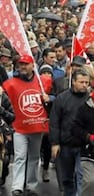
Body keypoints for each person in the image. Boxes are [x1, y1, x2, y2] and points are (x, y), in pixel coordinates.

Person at [3, 55, 50, 196]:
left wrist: (49, 98)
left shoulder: (42, 82)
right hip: (19, 127)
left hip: (37, 127)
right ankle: (17, 186)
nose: (23, 66)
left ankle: (31, 185)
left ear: (32, 65)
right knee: (20, 156)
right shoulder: (10, 83)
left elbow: (55, 97)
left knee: (35, 157)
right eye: (21, 64)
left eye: (26, 64)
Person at [49, 69, 91, 196]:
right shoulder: (62, 98)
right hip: (66, 144)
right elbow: (54, 122)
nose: (84, 85)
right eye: (81, 82)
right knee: (67, 178)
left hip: (84, 144)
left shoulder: (90, 99)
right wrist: (55, 143)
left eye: (87, 82)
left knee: (81, 176)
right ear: (73, 82)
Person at [0, 85, 15, 186]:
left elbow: (12, 117)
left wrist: (1, 110)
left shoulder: (3, 97)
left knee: (4, 160)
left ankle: (3, 174)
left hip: (2, 133)